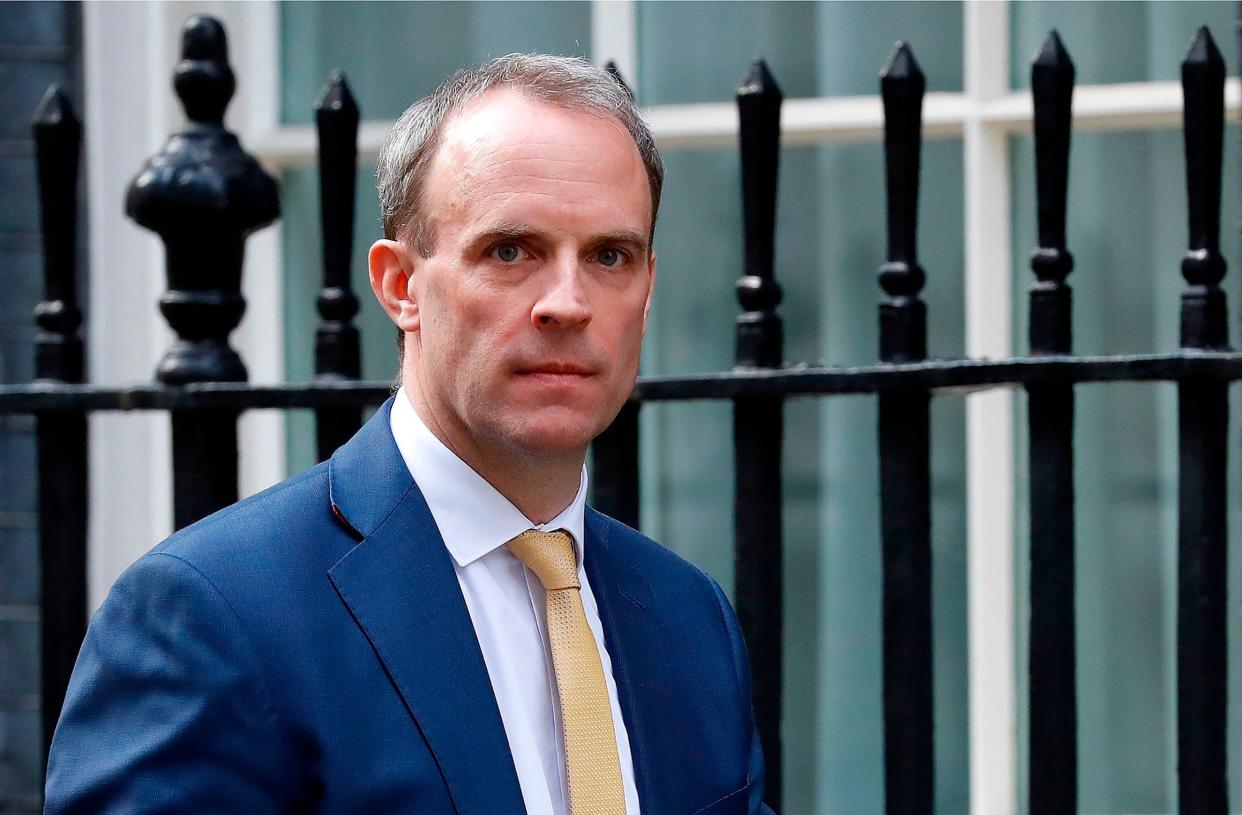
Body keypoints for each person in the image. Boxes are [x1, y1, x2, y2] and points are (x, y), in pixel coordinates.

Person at [45, 54, 772, 814]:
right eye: (510, 251)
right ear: (399, 285)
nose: (568, 301)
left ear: (647, 289)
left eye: (609, 256)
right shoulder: (215, 613)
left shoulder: (690, 617)